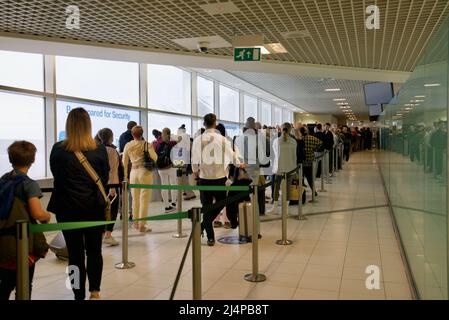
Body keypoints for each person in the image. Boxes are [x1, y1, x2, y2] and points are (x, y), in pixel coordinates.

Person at [48, 108, 109, 300]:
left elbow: (57, 176)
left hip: (67, 210)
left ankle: (77, 294)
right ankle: (95, 291)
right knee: (94, 251)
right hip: (93, 209)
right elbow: (104, 179)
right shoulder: (99, 149)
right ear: (89, 125)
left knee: (74, 255)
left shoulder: (58, 149)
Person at [0, 141, 51, 300]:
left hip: (3, 242)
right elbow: (36, 213)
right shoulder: (29, 184)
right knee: (24, 285)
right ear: (33, 160)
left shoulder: (3, 179)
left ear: (10, 159)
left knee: (5, 283)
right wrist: (47, 216)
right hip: (21, 244)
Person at [191, 114, 242, 246]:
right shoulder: (222, 139)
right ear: (215, 123)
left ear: (204, 123)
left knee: (206, 207)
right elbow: (232, 156)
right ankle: (206, 232)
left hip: (204, 178)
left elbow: (194, 160)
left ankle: (208, 234)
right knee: (220, 204)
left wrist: (195, 170)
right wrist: (239, 164)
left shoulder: (198, 140)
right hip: (219, 178)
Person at [123, 126, 157, 232]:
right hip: (145, 172)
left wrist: (125, 176)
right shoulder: (147, 144)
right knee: (144, 199)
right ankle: (142, 224)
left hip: (133, 172)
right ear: (142, 134)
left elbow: (124, 162)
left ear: (132, 134)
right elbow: (155, 157)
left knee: (135, 199)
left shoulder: (128, 145)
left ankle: (136, 223)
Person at [97, 128, 121, 246]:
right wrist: (112, 188)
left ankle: (101, 233)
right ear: (111, 137)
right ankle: (108, 234)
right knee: (112, 210)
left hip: (99, 185)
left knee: (101, 210)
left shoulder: (96, 149)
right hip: (112, 185)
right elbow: (111, 170)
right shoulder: (112, 151)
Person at [268, 123, 298, 214]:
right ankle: (286, 209)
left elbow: (273, 155)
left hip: (279, 168)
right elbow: (294, 156)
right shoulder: (293, 141)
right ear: (290, 130)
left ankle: (274, 207)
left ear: (281, 129)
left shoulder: (276, 141)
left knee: (276, 188)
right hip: (290, 168)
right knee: (288, 189)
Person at [155, 128, 179, 212]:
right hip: (171, 167)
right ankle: (173, 203)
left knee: (164, 185)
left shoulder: (157, 143)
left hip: (160, 168)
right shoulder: (173, 143)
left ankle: (166, 206)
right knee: (173, 184)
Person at [300, 126, 322, 199]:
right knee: (310, 177)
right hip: (309, 160)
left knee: (301, 178)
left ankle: (302, 194)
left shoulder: (298, 139)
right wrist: (314, 149)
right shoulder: (311, 138)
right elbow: (320, 143)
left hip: (300, 162)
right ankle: (314, 191)